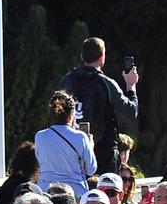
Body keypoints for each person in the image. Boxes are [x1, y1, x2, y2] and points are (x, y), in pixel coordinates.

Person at [56, 37, 141, 175]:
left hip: (71, 152)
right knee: (105, 194)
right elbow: (131, 112)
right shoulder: (106, 84)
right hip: (103, 154)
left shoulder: (66, 81)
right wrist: (131, 86)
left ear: (82, 56)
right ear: (102, 58)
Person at [35, 91, 99, 193]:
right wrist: (91, 147)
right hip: (74, 191)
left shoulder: (40, 136)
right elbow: (91, 169)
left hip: (46, 190)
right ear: (72, 114)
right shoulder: (80, 137)